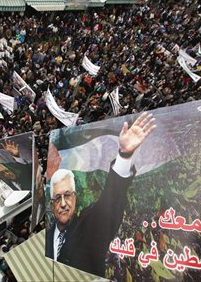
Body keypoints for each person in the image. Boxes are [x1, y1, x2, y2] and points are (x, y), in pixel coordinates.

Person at [45, 112, 156, 277]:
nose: (63, 203)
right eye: (57, 198)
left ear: (75, 197)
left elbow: (110, 202)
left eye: (67, 195)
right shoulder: (45, 235)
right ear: (51, 202)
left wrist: (124, 155)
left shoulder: (88, 227)